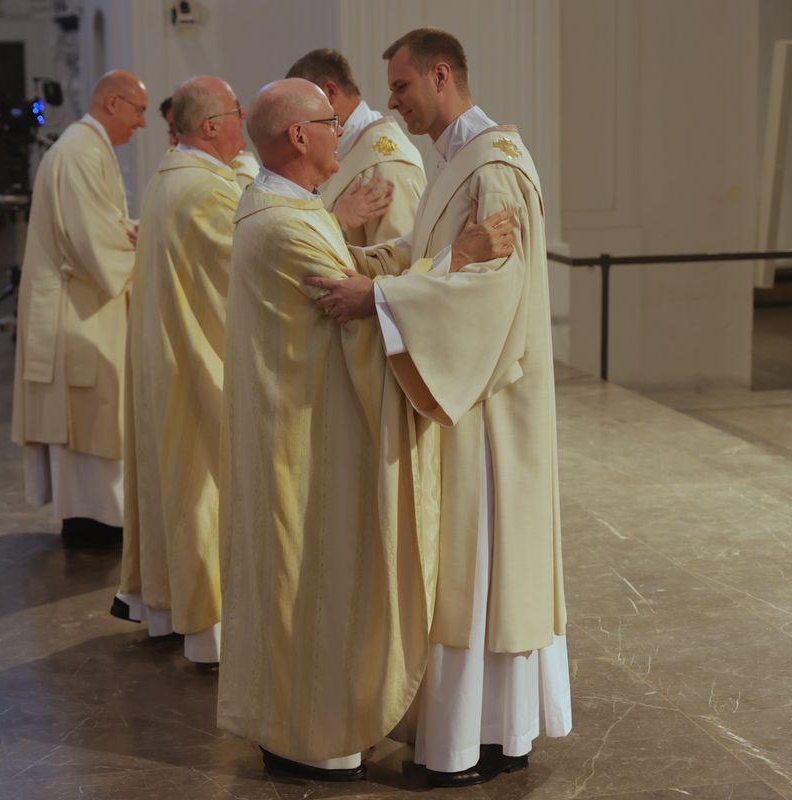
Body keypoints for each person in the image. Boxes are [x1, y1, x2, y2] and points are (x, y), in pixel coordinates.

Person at [216, 77, 513, 782]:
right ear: (298, 137)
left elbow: (351, 277)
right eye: (329, 123)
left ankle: (305, 726)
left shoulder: (284, 207)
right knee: (310, 580)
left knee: (307, 581)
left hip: (301, 431)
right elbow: (353, 313)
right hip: (308, 444)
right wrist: (459, 260)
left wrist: (414, 251)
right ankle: (311, 738)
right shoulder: (282, 224)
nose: (341, 135)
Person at [306, 27, 572, 787]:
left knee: (477, 567)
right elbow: (445, 264)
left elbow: (493, 294)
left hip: (485, 403)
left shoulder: (495, 167)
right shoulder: (457, 161)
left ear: (442, 76)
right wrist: (378, 274)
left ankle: (477, 739)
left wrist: (380, 298)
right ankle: (490, 731)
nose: (389, 104)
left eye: (399, 87)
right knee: (472, 569)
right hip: (467, 395)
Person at [113, 76, 247, 665]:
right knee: (202, 490)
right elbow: (258, 262)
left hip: (170, 356)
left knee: (180, 486)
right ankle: (207, 627)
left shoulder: (175, 178)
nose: (246, 124)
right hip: (196, 360)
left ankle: (172, 611)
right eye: (238, 113)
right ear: (212, 125)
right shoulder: (206, 192)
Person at [10, 70, 147, 548]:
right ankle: (94, 521)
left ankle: (96, 516)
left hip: (84, 301)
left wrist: (129, 230)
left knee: (95, 412)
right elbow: (94, 240)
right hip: (79, 305)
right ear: (112, 103)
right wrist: (147, 251)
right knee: (89, 412)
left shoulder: (87, 147)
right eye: (138, 110)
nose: (143, 123)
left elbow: (102, 224)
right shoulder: (81, 151)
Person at [287, 48, 426, 245]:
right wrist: (337, 221)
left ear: (330, 92)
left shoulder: (387, 164)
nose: (299, 125)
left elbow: (398, 264)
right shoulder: (341, 150)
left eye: (300, 109)